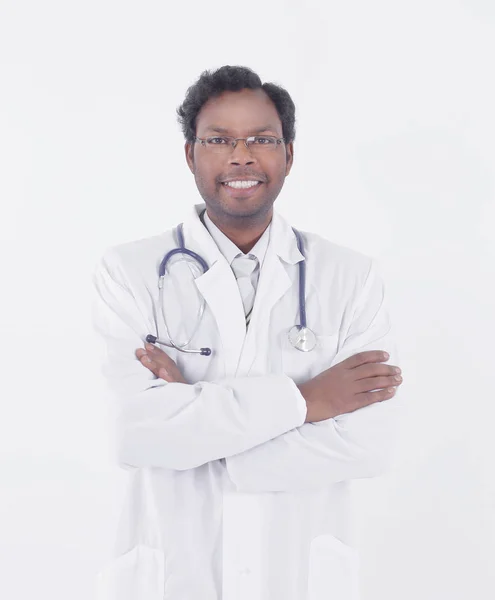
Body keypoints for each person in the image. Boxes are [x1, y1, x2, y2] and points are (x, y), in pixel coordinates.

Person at [91, 65, 405, 600]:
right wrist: (308, 400)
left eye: (262, 138)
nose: (242, 155)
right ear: (190, 154)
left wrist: (191, 426)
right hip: (173, 573)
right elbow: (133, 433)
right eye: (219, 139)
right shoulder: (129, 272)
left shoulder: (350, 277)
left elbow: (368, 443)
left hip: (298, 573)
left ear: (288, 154)